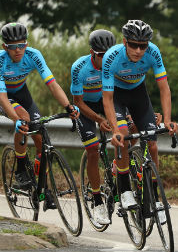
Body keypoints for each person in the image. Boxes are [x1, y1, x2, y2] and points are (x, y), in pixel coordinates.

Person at [102, 19, 178, 219]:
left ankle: (154, 197)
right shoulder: (112, 57)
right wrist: (114, 130)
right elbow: (107, 99)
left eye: (142, 46)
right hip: (116, 94)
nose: (138, 50)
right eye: (133, 45)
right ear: (124, 42)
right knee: (124, 135)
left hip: (138, 93)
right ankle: (125, 189)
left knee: (152, 143)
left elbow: (164, 88)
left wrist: (168, 119)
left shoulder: (153, 52)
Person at [0, 22, 79, 209]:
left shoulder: (33, 55)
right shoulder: (1, 61)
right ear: (5, 47)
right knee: (23, 117)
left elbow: (52, 84)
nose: (18, 50)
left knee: (41, 138)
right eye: (13, 47)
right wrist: (17, 120)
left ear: (27, 44)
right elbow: (2, 98)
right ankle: (20, 168)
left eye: (22, 45)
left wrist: (68, 106)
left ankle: (41, 187)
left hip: (22, 93)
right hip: (3, 97)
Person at [70, 29, 116, 224]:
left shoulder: (116, 64)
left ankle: (116, 167)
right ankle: (97, 202)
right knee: (93, 150)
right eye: (101, 56)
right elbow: (78, 102)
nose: (106, 59)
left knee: (132, 128)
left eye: (109, 55)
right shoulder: (79, 68)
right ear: (92, 54)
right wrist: (99, 120)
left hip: (107, 102)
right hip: (86, 107)